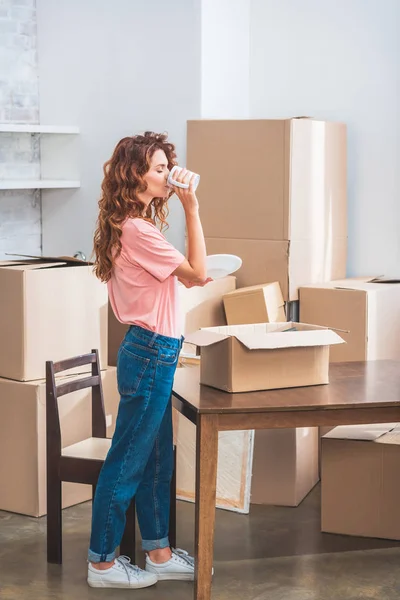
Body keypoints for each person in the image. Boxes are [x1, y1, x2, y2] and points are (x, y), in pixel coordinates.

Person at [87, 131, 210, 589]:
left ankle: (157, 551)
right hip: (151, 351)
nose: (167, 175)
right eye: (158, 168)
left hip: (155, 349)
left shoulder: (134, 224)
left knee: (158, 457)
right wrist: (192, 206)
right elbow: (198, 274)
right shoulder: (138, 230)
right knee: (128, 460)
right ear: (135, 173)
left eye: (165, 166)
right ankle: (102, 562)